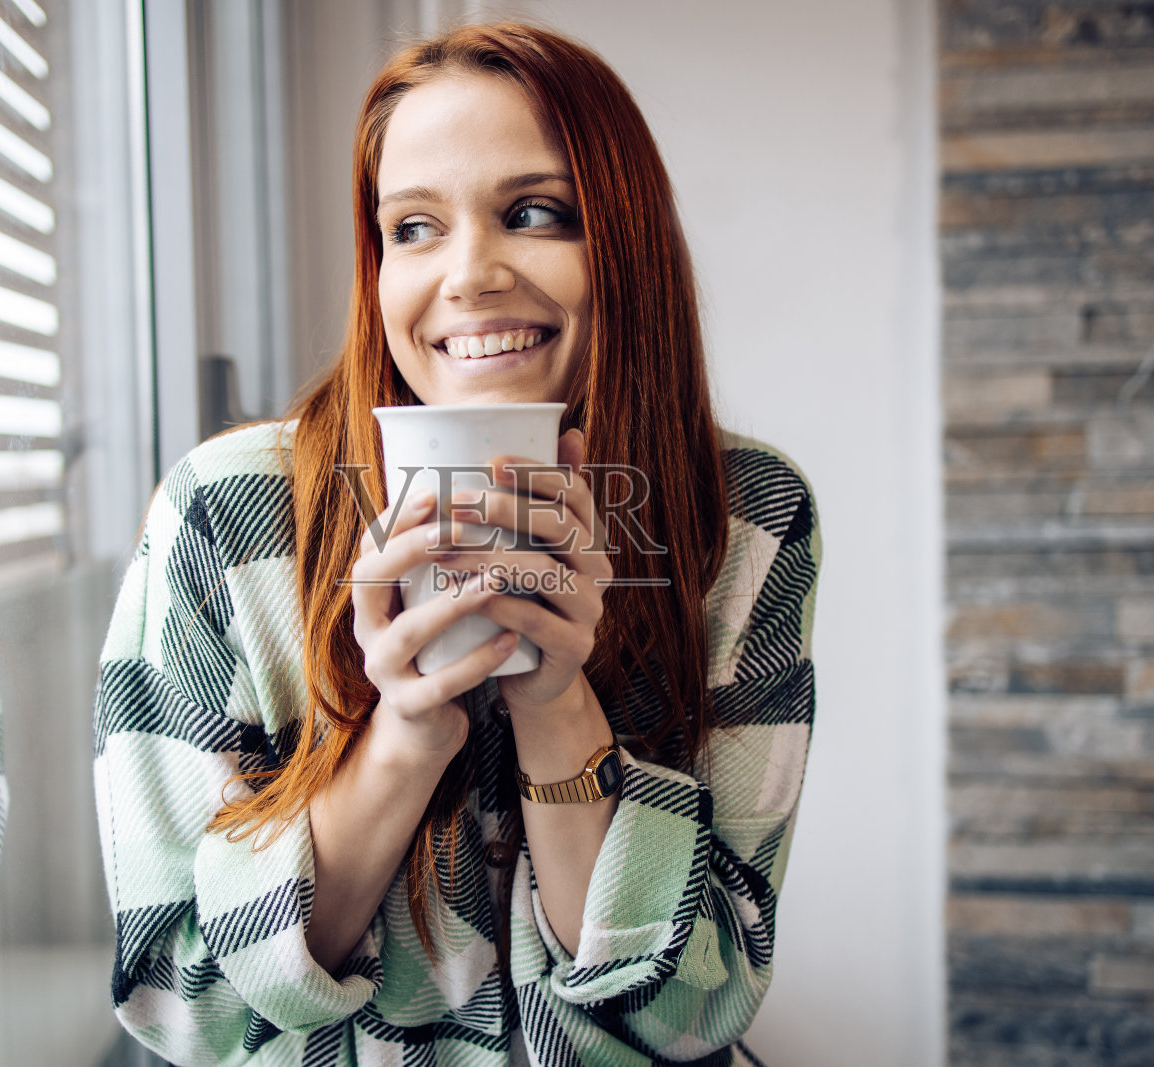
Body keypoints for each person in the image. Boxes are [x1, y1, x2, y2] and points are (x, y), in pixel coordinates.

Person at [93, 20, 821, 1066]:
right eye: (415, 227)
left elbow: (694, 1012)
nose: (468, 275)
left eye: (532, 213)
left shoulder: (743, 515)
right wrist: (403, 733)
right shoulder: (224, 510)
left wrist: (558, 703)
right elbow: (182, 1005)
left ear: (621, 240)